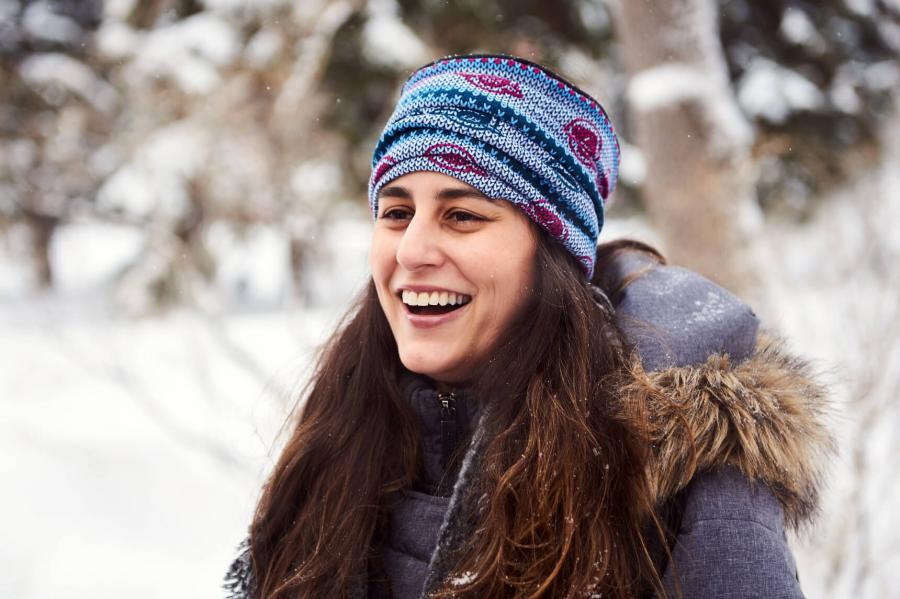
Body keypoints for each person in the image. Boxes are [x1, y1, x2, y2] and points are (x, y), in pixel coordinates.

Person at [224, 54, 833, 599]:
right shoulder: (336, 446)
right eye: (396, 213)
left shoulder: (681, 482)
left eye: (462, 215)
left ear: (551, 259)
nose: (411, 251)